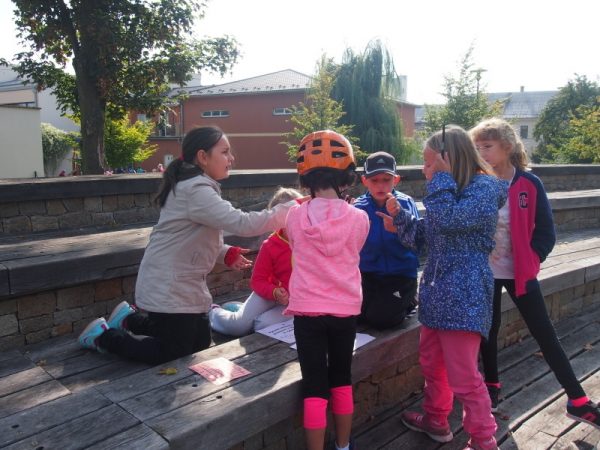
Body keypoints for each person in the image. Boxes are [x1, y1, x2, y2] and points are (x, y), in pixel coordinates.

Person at [77, 126, 300, 365]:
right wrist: (291, 209)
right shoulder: (195, 190)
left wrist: (225, 253)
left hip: (182, 284)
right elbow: (242, 223)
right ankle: (102, 337)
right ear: (203, 157)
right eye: (225, 152)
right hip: (168, 284)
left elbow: (194, 237)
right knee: (173, 351)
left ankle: (127, 319)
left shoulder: (197, 187)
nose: (231, 158)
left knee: (199, 343)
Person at [379, 125, 507, 450]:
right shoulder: (446, 191)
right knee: (432, 364)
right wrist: (401, 221)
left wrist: (441, 180)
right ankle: (436, 419)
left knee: (464, 375)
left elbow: (450, 221)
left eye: (428, 163)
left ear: (448, 160)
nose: (424, 171)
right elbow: (426, 238)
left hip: (464, 295)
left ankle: (483, 439)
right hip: (437, 293)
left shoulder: (483, 189)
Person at [471, 118, 600, 429]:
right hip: (484, 273)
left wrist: (533, 258)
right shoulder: (475, 182)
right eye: (477, 147)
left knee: (545, 334)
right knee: (488, 331)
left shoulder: (529, 183)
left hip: (520, 273)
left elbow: (546, 232)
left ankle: (578, 401)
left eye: (487, 146)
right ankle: (492, 387)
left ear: (507, 147)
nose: (481, 152)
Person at [285, 130, 369, 450]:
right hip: (344, 310)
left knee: (314, 387)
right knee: (341, 379)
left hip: (307, 311)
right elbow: (355, 248)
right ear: (347, 175)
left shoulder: (295, 215)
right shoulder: (359, 218)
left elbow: (295, 244)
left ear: (305, 177)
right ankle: (343, 445)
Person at [209, 187, 302, 337]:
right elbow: (257, 281)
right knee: (238, 327)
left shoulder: (310, 241)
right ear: (276, 221)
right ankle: (213, 312)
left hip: (294, 302)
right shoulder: (270, 245)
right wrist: (274, 291)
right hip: (267, 294)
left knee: (262, 325)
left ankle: (240, 310)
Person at [354, 151, 419, 329]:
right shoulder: (358, 207)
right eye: (374, 180)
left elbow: (417, 240)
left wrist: (399, 222)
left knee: (381, 320)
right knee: (354, 316)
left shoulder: (405, 203)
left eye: (386, 180)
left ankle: (410, 300)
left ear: (396, 180)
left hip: (400, 274)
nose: (380, 185)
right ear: (364, 181)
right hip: (368, 274)